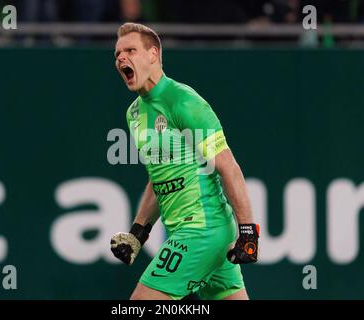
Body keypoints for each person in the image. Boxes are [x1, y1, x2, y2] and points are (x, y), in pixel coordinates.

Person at [110, 22, 260, 300]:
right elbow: (160, 178)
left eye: (130, 50)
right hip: (199, 232)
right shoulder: (134, 114)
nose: (120, 58)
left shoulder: (183, 101)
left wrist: (249, 232)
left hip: (202, 230)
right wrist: (138, 233)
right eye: (117, 53)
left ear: (153, 54)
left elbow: (229, 167)